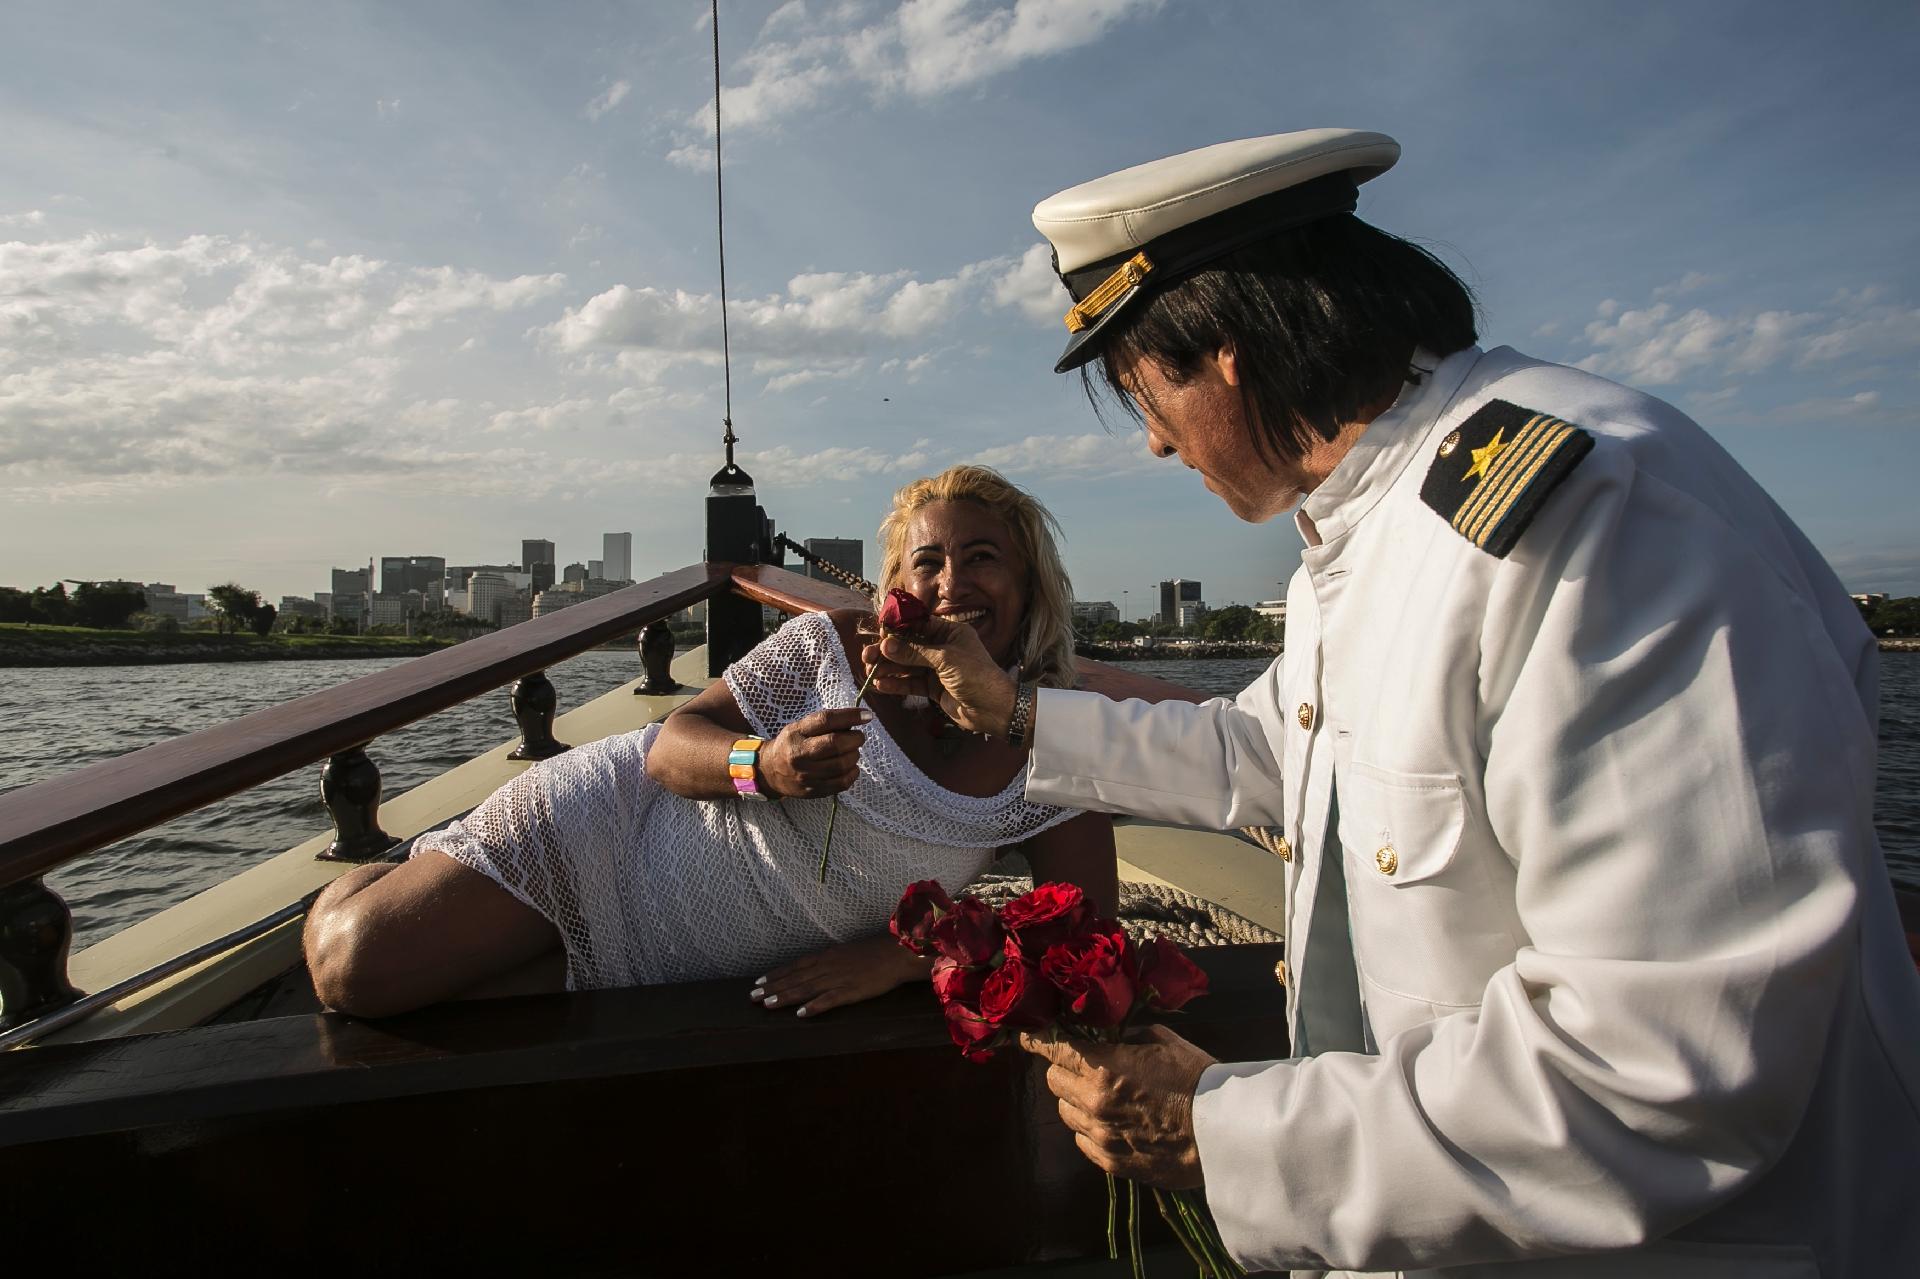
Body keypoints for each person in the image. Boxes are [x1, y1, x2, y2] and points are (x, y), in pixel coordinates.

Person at [866, 129, 1920, 1276]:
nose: (1161, 443)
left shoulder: (1586, 529)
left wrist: (1221, 1129)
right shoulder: (1372, 521)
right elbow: (1270, 752)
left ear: (1223, 352)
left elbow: (1665, 1067)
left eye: (1142, 391)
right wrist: (1011, 715)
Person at [303, 464, 1115, 1020]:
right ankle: (384, 875)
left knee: (457, 1016)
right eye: (927, 562)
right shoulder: (830, 646)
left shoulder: (1049, 739)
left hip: (697, 965)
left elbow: (1087, 933)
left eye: (982, 559)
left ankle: (438, 877)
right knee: (355, 969)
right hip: (615, 832)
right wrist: (762, 765)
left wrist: (910, 956)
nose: (951, 584)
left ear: (1029, 583)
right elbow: (669, 745)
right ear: (895, 589)